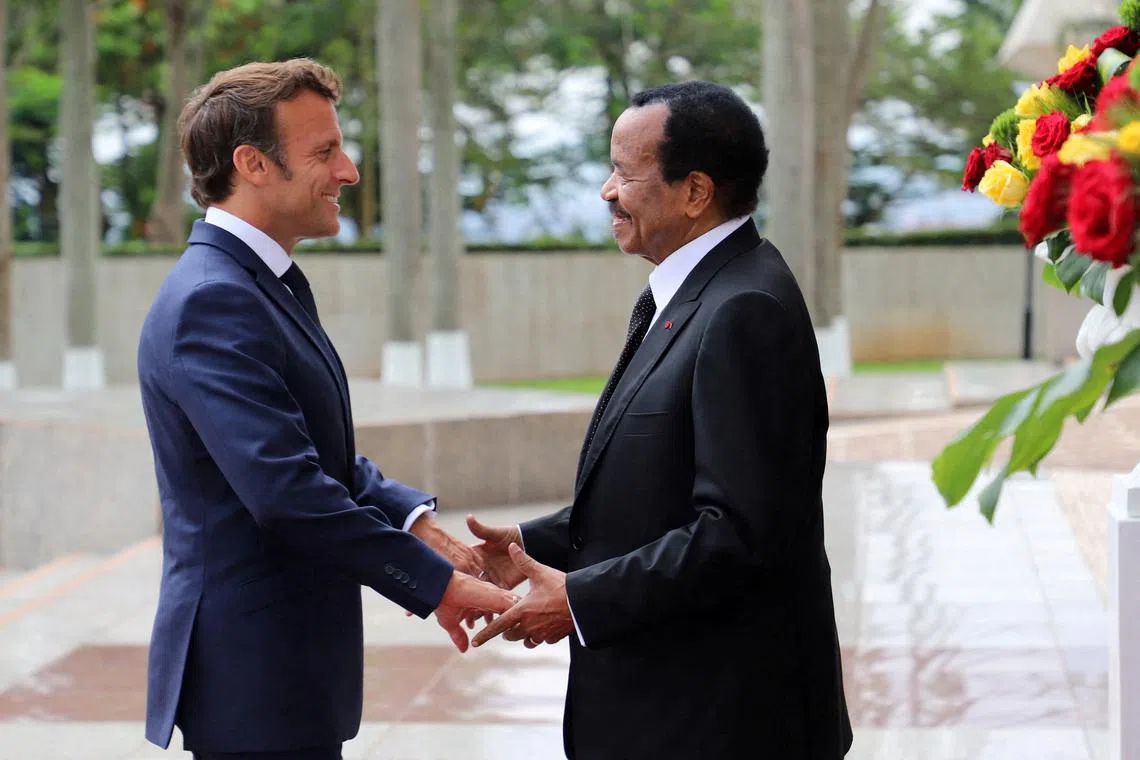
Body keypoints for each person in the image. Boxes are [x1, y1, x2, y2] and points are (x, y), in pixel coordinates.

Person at [136, 59, 514, 760]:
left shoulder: (256, 282)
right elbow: (286, 491)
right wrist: (436, 586)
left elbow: (311, 452)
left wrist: (417, 525)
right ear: (252, 164)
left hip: (286, 669)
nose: (349, 171)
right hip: (253, 678)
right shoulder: (214, 299)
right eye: (325, 152)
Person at [468, 81, 853, 759]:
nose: (606, 191)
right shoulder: (700, 291)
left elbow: (738, 533)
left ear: (695, 191)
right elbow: (660, 490)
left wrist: (581, 599)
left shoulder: (744, 310)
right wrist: (533, 544)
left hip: (717, 724)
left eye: (624, 173)